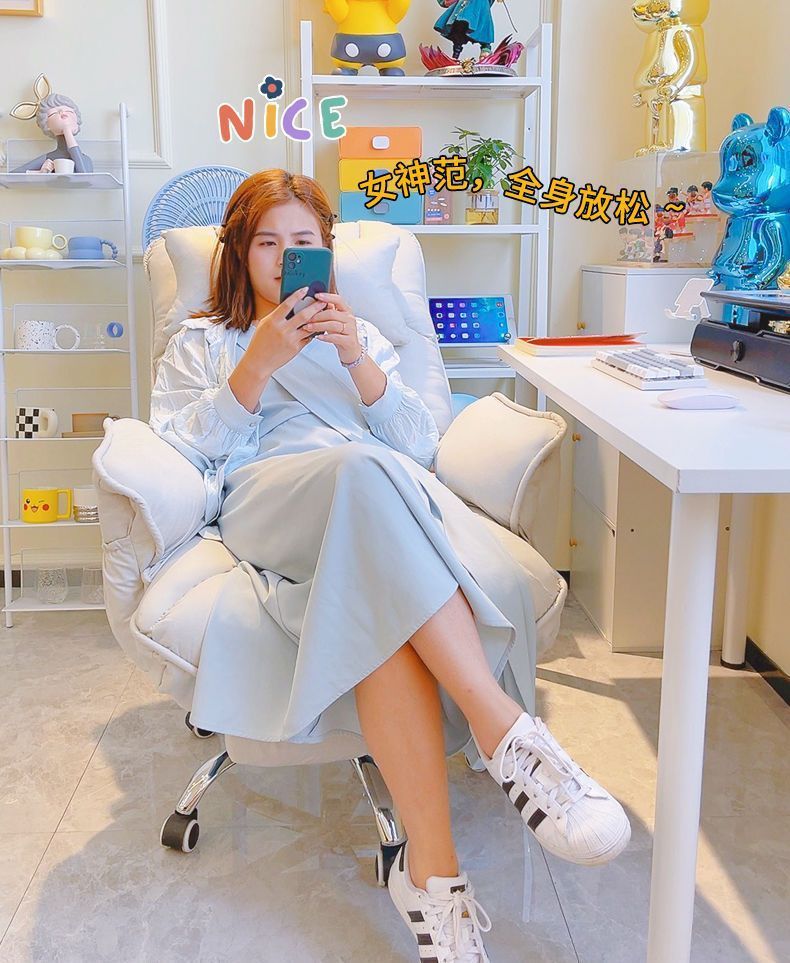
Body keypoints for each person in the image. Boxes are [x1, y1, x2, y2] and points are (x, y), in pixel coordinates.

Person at [149, 169, 630, 962]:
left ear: (325, 253)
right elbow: (186, 453)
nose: (284, 257)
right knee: (363, 471)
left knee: (379, 560)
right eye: (266, 242)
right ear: (237, 252)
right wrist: (255, 366)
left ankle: (433, 878)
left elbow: (418, 445)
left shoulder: (361, 335)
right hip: (271, 502)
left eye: (302, 242)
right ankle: (506, 732)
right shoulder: (203, 342)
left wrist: (357, 363)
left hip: (378, 507)